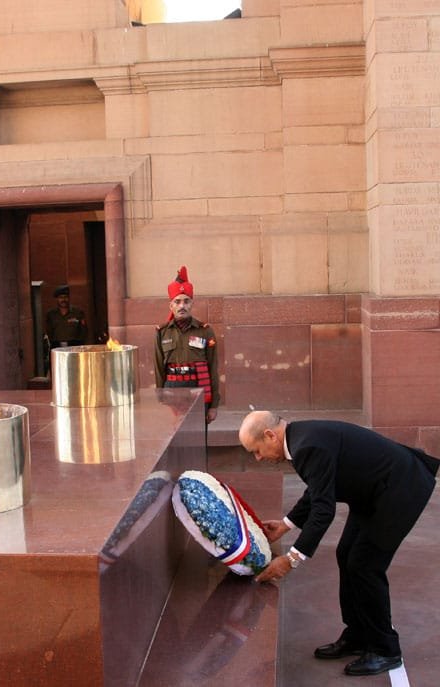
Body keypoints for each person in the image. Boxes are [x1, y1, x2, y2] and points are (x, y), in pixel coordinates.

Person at [238, 410, 440, 677]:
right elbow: (318, 489)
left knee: (366, 566)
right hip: (373, 492)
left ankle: (385, 649)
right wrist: (286, 525)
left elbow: (324, 510)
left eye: (257, 451)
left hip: (399, 491)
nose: (259, 458)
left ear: (269, 435)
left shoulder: (305, 446)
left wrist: (292, 560)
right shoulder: (302, 439)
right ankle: (357, 635)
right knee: (347, 554)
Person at [154, 266, 219, 424]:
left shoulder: (205, 332)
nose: (182, 306)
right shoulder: (162, 332)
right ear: (171, 306)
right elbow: (158, 369)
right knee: (172, 436)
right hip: (172, 389)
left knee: (197, 434)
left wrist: (213, 405)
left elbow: (213, 368)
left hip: (197, 388)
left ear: (192, 304)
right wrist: (160, 399)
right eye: (177, 302)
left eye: (186, 301)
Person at [45, 284, 88, 349]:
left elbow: (84, 331)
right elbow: (48, 331)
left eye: (65, 297)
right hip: (57, 346)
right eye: (61, 297)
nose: (63, 300)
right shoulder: (51, 314)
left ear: (69, 298)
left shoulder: (77, 312)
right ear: (57, 299)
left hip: (74, 346)